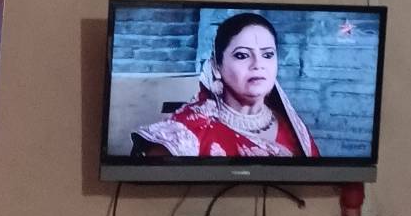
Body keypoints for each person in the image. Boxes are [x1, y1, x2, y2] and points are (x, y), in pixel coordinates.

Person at [133, 12, 318, 161]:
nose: (258, 64)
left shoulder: (294, 129)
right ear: (216, 67)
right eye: (242, 55)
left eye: (268, 55)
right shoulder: (189, 131)